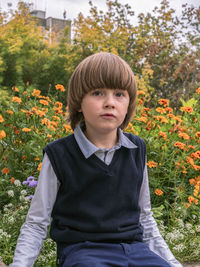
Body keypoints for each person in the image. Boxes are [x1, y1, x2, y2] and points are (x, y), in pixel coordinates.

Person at [10, 52, 182, 267]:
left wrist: (173, 264)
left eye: (119, 94)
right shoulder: (59, 155)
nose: (110, 103)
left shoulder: (137, 150)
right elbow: (36, 223)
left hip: (134, 251)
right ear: (79, 102)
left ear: (129, 103)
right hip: (83, 252)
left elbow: (145, 218)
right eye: (98, 93)